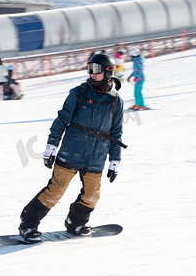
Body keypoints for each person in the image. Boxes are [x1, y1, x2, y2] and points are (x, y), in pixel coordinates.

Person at [18, 53, 126, 243]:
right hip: (71, 151)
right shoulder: (79, 93)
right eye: (90, 68)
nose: (92, 73)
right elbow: (61, 121)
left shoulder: (116, 100)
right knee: (55, 191)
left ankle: (76, 222)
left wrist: (115, 160)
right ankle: (28, 225)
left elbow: (116, 133)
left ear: (108, 72)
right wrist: (52, 146)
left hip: (96, 156)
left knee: (92, 195)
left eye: (96, 70)